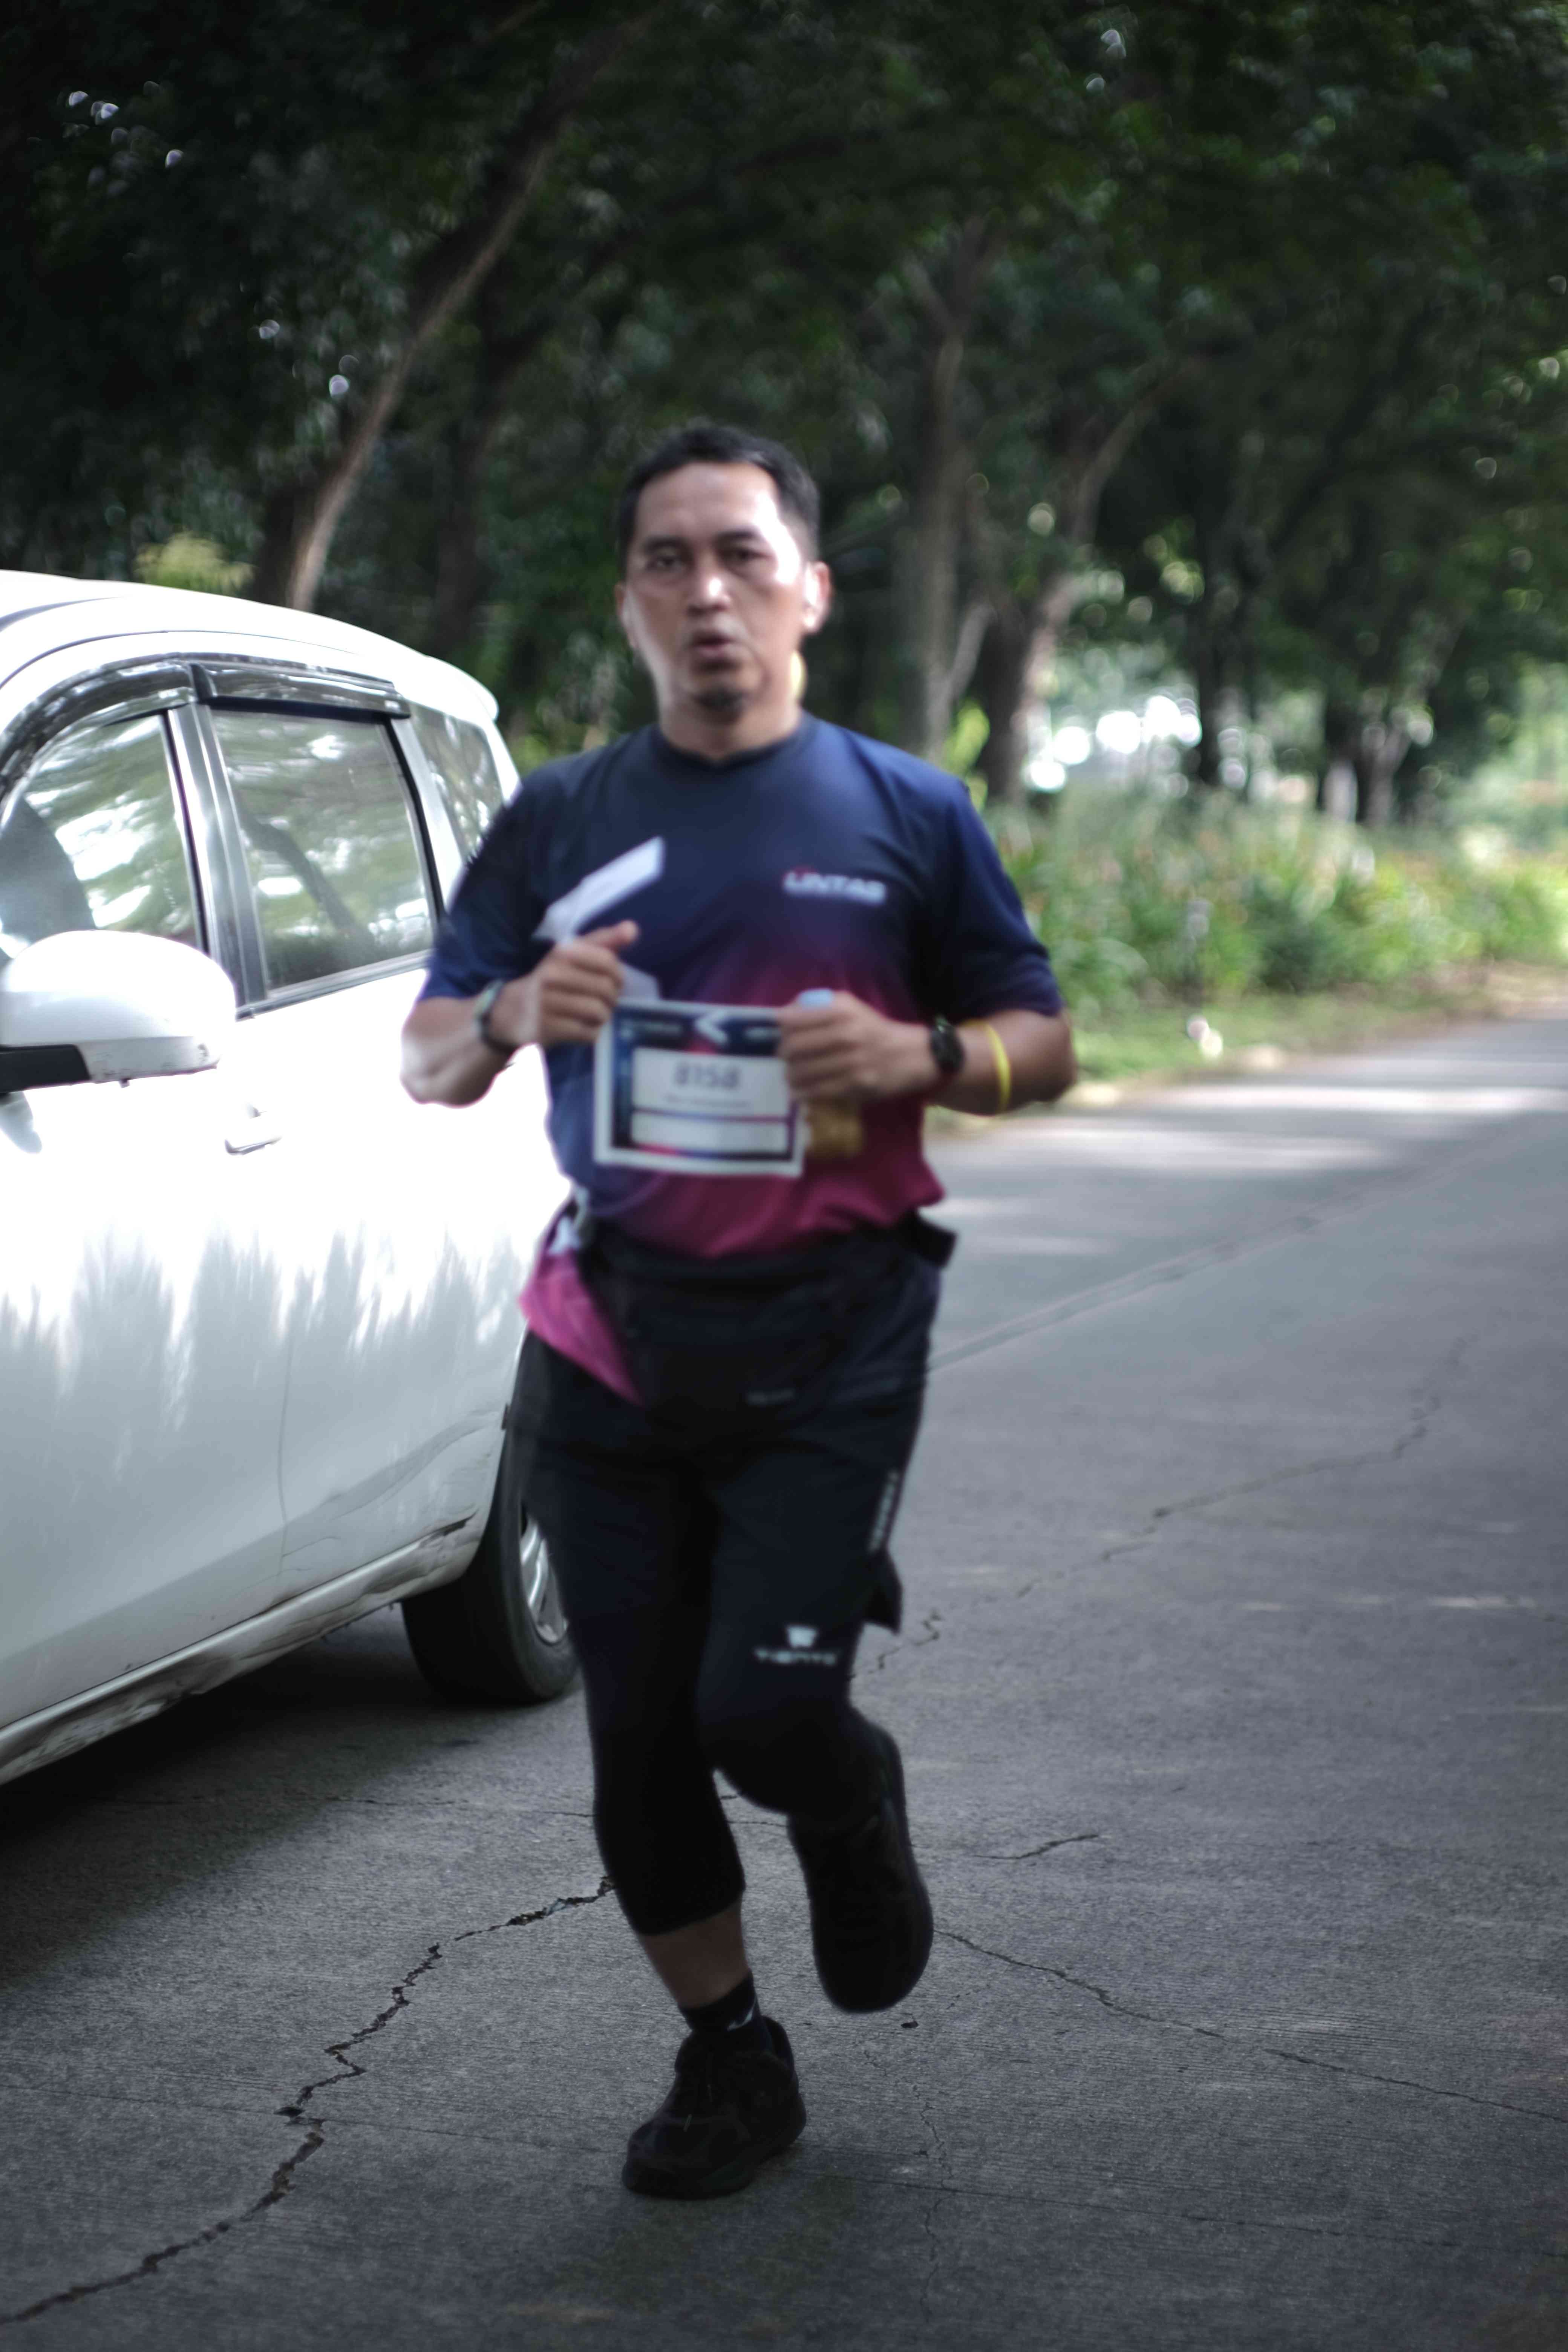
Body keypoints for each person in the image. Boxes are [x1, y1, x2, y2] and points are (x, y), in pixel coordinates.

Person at [401, 421, 1075, 2201]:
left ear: (809, 591)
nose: (707, 591)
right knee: (635, 1735)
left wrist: (925, 1057)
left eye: (741, 555)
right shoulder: (560, 818)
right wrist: (507, 1014)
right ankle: (730, 2056)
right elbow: (427, 1053)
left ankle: (848, 1801)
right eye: (667, 560)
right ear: (629, 600)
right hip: (607, 1334)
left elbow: (1045, 1042)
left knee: (760, 1714)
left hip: (832, 1335)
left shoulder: (906, 813)